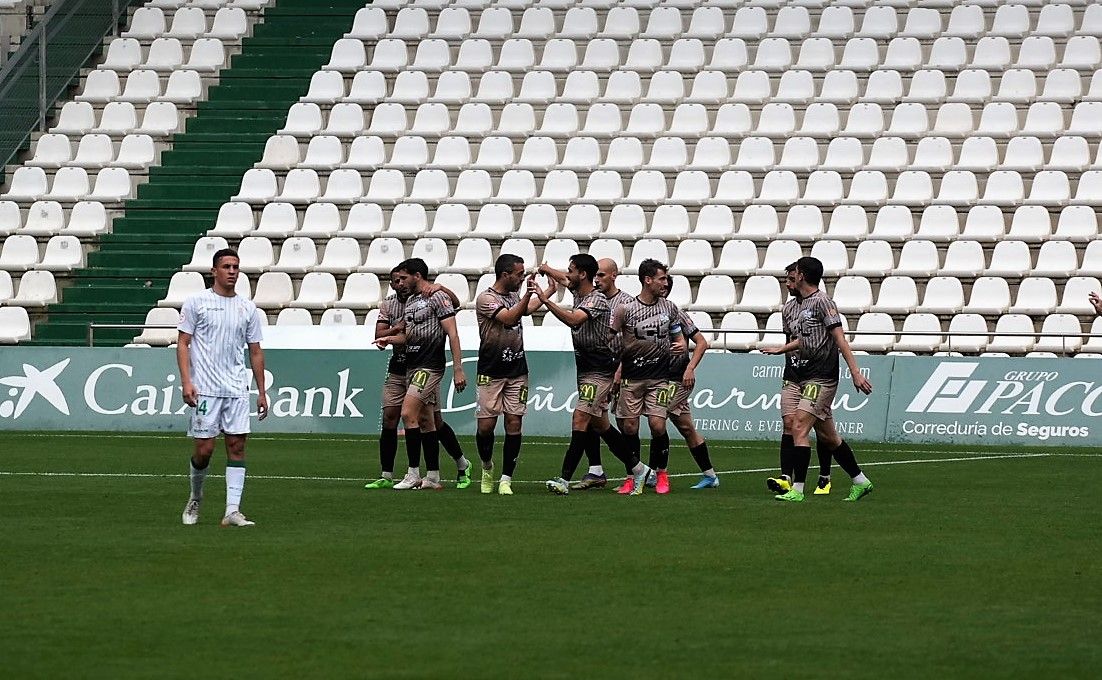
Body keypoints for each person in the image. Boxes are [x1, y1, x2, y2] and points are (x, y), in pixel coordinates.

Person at [536, 253, 651, 495]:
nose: (567, 275)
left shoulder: (597, 300)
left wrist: (545, 301)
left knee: (580, 419)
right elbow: (564, 279)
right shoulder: (579, 290)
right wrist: (546, 268)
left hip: (599, 369)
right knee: (601, 425)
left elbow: (574, 320)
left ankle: (564, 479)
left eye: (571, 270)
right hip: (585, 366)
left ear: (582, 274)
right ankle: (640, 469)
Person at [762, 257, 875, 503]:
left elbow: (839, 338)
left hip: (821, 376)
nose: (789, 278)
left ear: (801, 275)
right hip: (795, 375)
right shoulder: (790, 308)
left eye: (794, 273)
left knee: (801, 427)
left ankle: (797, 490)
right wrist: (783, 351)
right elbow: (801, 340)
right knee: (824, 435)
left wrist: (855, 371)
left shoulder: (824, 302)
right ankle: (860, 481)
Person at [178, 248, 268, 527]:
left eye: (236, 267)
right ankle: (195, 497)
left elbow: (255, 351)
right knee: (204, 450)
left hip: (237, 389)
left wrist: (261, 391)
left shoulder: (247, 308)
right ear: (214, 271)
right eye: (226, 266)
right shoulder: (196, 302)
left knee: (237, 446)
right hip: (204, 388)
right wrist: (186, 381)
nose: (232, 271)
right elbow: (183, 343)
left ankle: (232, 510)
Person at [365, 268, 472, 490]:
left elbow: (455, 306)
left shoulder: (430, 296)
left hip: (426, 365)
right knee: (391, 417)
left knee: (430, 421)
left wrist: (442, 287)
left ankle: (455, 465)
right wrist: (393, 333)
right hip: (400, 367)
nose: (398, 284)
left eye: (402, 279)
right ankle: (390, 475)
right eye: (395, 281)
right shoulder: (391, 304)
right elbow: (383, 334)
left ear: (416, 276)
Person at [609, 258, 683, 495]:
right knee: (629, 427)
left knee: (657, 425)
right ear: (647, 280)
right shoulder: (626, 309)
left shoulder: (669, 307)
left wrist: (679, 345)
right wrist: (617, 367)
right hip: (632, 377)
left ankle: (661, 473)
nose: (665, 283)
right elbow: (611, 339)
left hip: (660, 378)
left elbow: (678, 336)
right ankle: (632, 475)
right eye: (661, 278)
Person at [474, 254, 544, 495]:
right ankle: (486, 467)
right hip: (490, 371)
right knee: (486, 426)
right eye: (519, 274)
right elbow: (509, 317)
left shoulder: (514, 294)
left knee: (514, 423)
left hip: (517, 370)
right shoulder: (486, 298)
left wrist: (549, 293)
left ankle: (506, 479)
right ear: (505, 274)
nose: (522, 278)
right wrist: (527, 295)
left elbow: (525, 311)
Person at [660, 279, 720, 490]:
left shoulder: (676, 314)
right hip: (658, 378)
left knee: (657, 418)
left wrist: (690, 367)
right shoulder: (644, 314)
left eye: (666, 286)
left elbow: (702, 342)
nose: (662, 289)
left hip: (678, 379)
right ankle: (710, 476)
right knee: (687, 429)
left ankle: (656, 473)